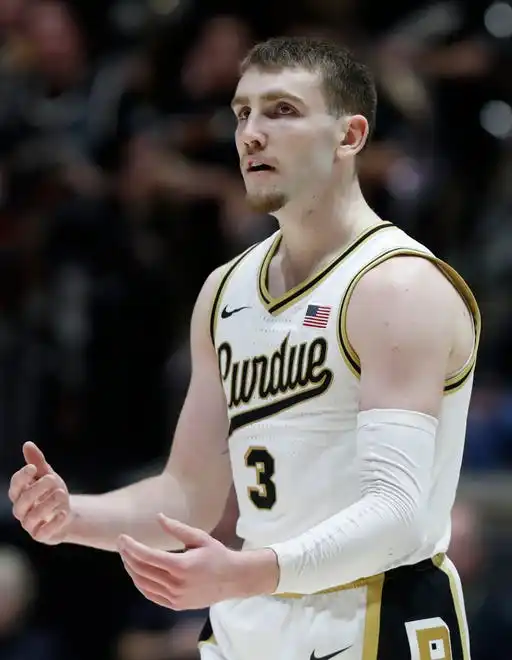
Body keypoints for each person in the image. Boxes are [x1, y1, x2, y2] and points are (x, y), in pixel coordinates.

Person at [8, 36, 480, 660]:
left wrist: (246, 570)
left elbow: (395, 511)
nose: (252, 134)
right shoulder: (225, 291)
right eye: (242, 113)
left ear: (350, 136)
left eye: (282, 111)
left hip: (369, 615)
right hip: (247, 623)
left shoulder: (395, 285)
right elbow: (187, 495)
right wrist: (72, 517)